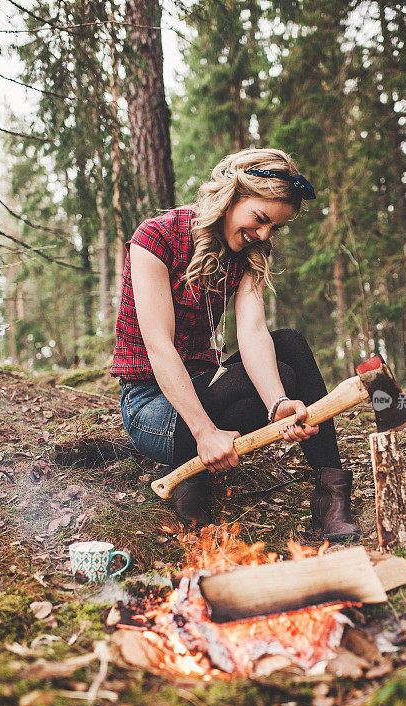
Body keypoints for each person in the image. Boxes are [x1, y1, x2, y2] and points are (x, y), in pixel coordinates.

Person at [110, 147, 362, 540]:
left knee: (289, 345)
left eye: (274, 228)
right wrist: (204, 432)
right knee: (275, 375)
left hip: (209, 385)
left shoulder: (248, 254)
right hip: (154, 405)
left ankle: (331, 497)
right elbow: (160, 347)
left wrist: (278, 405)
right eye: (260, 219)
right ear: (231, 196)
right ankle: (189, 477)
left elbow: (253, 334)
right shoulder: (154, 238)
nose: (263, 235)